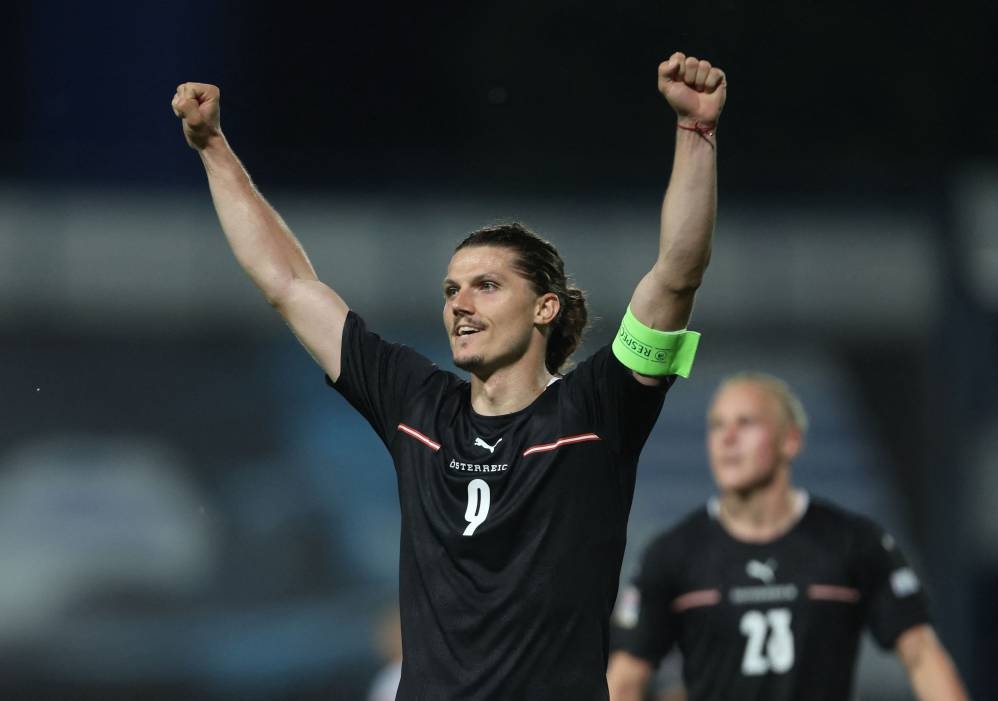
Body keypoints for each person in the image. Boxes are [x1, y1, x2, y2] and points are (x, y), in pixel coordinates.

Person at [172, 51, 726, 700]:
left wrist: (696, 135)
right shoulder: (416, 401)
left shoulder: (598, 408)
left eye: (486, 285)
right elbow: (289, 284)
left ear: (545, 306)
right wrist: (212, 148)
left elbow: (677, 272)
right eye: (451, 288)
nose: (459, 302)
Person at [607, 373, 970, 701]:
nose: (727, 438)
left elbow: (921, 653)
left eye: (745, 423)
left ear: (790, 441)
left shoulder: (852, 542)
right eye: (717, 426)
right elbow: (625, 679)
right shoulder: (673, 554)